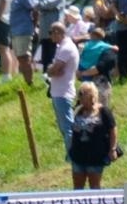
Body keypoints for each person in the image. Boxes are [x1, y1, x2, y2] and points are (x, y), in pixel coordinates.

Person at [67, 81, 117, 195]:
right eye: (79, 93)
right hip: (78, 155)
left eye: (83, 93)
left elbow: (113, 129)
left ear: (91, 95)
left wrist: (112, 149)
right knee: (77, 188)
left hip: (96, 156)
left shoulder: (103, 111)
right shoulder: (78, 111)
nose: (80, 96)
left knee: (94, 187)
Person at [47, 22, 79, 158]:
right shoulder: (63, 47)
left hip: (63, 93)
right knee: (64, 127)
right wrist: (52, 70)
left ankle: (73, 156)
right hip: (60, 92)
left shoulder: (66, 48)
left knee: (68, 127)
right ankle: (71, 154)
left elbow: (55, 69)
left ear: (57, 32)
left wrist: (50, 69)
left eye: (51, 33)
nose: (50, 36)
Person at [34, 0, 67, 71]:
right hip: (44, 29)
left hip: (55, 30)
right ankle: (45, 74)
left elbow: (49, 3)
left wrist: (38, 5)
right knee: (45, 55)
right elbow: (37, 2)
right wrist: (38, 5)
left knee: (53, 54)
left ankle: (53, 76)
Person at [77, 26, 119, 105]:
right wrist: (114, 47)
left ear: (92, 35)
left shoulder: (86, 44)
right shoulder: (102, 45)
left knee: (85, 89)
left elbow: (80, 51)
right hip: (92, 69)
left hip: (82, 67)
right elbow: (115, 48)